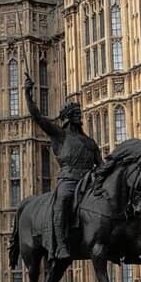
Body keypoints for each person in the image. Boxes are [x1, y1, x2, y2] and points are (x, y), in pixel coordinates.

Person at [24, 73, 101, 262]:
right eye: (76, 113)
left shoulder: (89, 142)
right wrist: (28, 94)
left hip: (88, 183)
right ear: (67, 118)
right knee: (63, 200)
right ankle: (60, 245)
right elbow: (38, 118)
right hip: (68, 181)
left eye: (79, 113)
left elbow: (101, 166)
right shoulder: (60, 136)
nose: (79, 116)